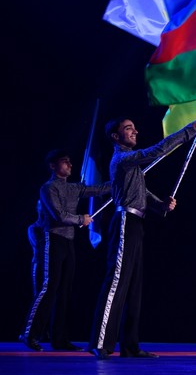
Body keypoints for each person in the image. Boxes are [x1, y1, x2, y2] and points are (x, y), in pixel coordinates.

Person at [88, 113, 196, 360]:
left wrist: (161, 205)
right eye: (128, 128)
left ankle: (130, 346)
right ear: (116, 137)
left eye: (134, 127)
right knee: (116, 282)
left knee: (134, 286)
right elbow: (157, 151)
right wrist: (191, 128)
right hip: (124, 221)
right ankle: (100, 342)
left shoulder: (131, 165)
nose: (135, 131)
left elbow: (141, 193)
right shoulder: (122, 158)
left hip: (136, 223)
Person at [20, 149, 111, 352]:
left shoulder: (73, 188)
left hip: (68, 242)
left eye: (70, 162)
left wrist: (122, 180)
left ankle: (59, 339)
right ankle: (29, 334)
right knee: (48, 287)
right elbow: (58, 215)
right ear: (53, 166)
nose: (70, 165)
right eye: (64, 162)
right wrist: (82, 220)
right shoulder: (48, 188)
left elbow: (99, 189)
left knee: (65, 291)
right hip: (51, 239)